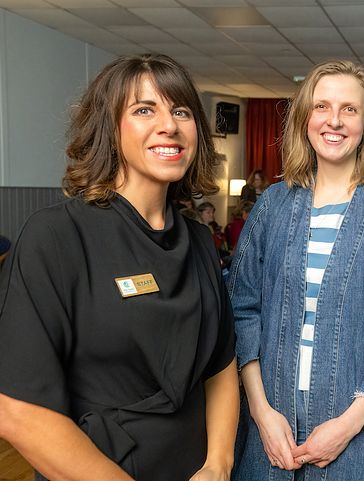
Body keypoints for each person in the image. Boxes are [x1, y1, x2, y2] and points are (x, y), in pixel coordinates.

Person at [0, 54, 239, 481]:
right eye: (144, 109)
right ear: (109, 128)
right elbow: (18, 410)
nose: (169, 124)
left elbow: (220, 365)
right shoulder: (56, 236)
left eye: (181, 110)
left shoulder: (200, 241)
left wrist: (218, 465)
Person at [228, 59, 364, 481]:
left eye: (350, 109)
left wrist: (346, 426)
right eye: (322, 106)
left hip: (363, 435)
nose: (335, 121)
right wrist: (260, 412)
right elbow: (241, 311)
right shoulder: (272, 205)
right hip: (271, 430)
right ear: (305, 118)